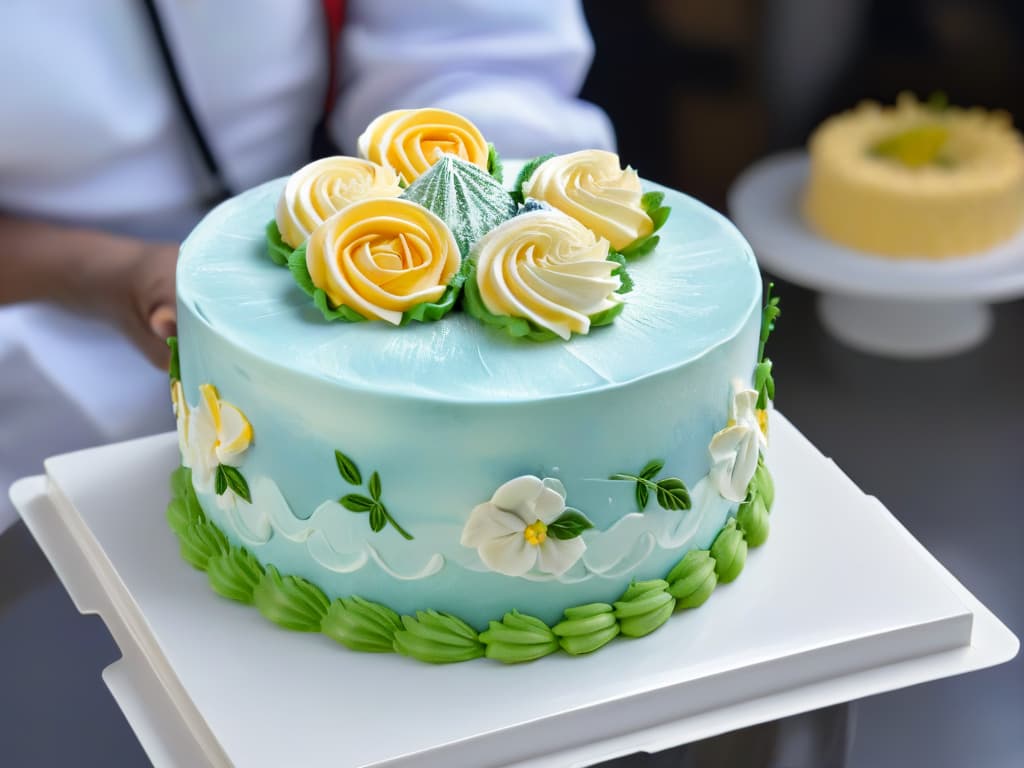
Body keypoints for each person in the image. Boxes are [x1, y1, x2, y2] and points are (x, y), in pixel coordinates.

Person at [0, 0, 614, 532]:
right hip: (33, 350)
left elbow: (469, 51)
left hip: (325, 259)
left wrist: (488, 222)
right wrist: (102, 271)